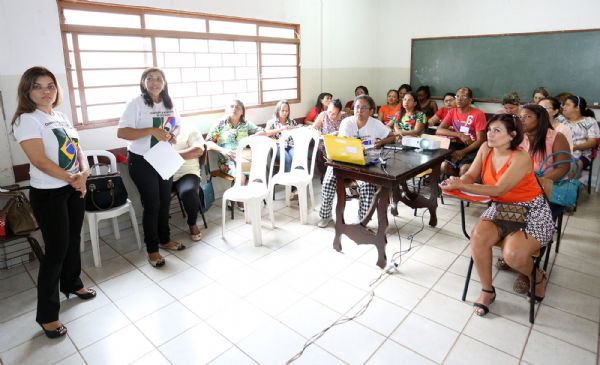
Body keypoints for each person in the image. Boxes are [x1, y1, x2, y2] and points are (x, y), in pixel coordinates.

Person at [440, 114, 553, 316]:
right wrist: (457, 181)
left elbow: (499, 189)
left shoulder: (521, 157)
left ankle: (536, 277)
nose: (490, 134)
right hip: (502, 207)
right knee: (478, 236)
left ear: (512, 135)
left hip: (532, 210)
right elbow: (472, 175)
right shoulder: (485, 149)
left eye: (497, 130)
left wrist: (463, 185)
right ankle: (487, 290)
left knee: (513, 255)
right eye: (489, 129)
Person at [12, 66, 96, 339]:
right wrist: (74, 178)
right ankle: (47, 315)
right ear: (27, 91)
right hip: (49, 193)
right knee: (56, 251)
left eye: (50, 85)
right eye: (38, 86)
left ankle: (72, 283)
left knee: (73, 240)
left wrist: (83, 174)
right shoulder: (27, 119)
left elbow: (78, 149)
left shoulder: (59, 116)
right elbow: (39, 161)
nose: (46, 91)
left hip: (73, 188)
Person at [496, 104, 571, 294]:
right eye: (519, 117)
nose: (521, 120)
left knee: (538, 222)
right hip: (522, 189)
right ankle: (511, 252)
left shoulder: (555, 137)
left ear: (540, 118)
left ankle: (529, 269)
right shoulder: (517, 137)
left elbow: (563, 167)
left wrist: (539, 182)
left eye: (527, 117)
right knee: (503, 211)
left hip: (549, 189)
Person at [117, 67, 185, 269]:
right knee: (152, 204)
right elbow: (121, 132)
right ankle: (152, 249)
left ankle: (165, 240)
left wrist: (173, 134)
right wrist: (151, 131)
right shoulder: (135, 104)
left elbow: (178, 125)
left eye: (159, 79)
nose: (155, 82)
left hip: (164, 157)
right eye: (150, 79)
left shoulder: (169, 103)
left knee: (165, 201)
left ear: (164, 83)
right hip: (142, 160)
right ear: (143, 83)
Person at [317, 95, 396, 228]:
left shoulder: (376, 124)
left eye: (363, 108)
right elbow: (343, 144)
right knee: (328, 183)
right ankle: (326, 216)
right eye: (357, 107)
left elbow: (392, 137)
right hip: (343, 161)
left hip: (364, 162)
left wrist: (382, 142)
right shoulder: (347, 122)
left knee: (367, 187)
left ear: (371, 111)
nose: (359, 110)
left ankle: (362, 220)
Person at [205, 99, 265, 197]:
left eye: (237, 107)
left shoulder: (245, 124)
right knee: (241, 178)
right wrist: (223, 150)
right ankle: (240, 202)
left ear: (242, 112)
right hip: (227, 161)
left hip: (244, 159)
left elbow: (262, 131)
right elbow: (208, 142)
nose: (234, 109)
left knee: (256, 178)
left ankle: (248, 200)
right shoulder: (220, 124)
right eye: (232, 106)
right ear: (227, 110)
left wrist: (253, 137)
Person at [436, 87, 487, 176]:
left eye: (463, 97)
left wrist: (463, 152)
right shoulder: (452, 112)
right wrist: (459, 134)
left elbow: (481, 140)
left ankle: (461, 184)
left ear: (470, 100)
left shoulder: (478, 114)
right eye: (457, 96)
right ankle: (456, 182)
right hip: (458, 145)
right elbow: (439, 130)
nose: (459, 99)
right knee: (444, 166)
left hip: (474, 148)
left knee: (464, 169)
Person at [172, 123, 206, 242]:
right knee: (151, 194)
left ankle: (192, 223)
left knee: (189, 192)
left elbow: (198, 150)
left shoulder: (189, 128)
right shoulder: (155, 130)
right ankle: (160, 230)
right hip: (164, 175)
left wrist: (172, 155)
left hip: (186, 173)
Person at [561, 95, 600, 173]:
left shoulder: (589, 121)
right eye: (564, 104)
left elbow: (592, 142)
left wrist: (574, 147)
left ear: (577, 108)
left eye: (567, 105)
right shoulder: (561, 120)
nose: (563, 107)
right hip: (561, 152)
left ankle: (570, 183)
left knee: (571, 170)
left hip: (582, 155)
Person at [313, 99, 344, 181]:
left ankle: (342, 178)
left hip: (340, 144)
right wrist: (319, 133)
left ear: (339, 112)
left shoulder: (344, 118)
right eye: (329, 111)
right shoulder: (323, 115)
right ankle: (331, 177)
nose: (330, 115)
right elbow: (313, 129)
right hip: (325, 143)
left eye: (334, 114)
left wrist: (338, 133)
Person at [264, 100, 299, 173]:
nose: (285, 113)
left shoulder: (292, 121)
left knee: (297, 157)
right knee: (287, 159)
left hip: (291, 146)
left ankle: (297, 182)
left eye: (287, 111)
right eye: (282, 110)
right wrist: (281, 129)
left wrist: (296, 129)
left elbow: (297, 134)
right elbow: (266, 133)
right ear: (278, 110)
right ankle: (288, 182)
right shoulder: (271, 122)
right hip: (278, 147)